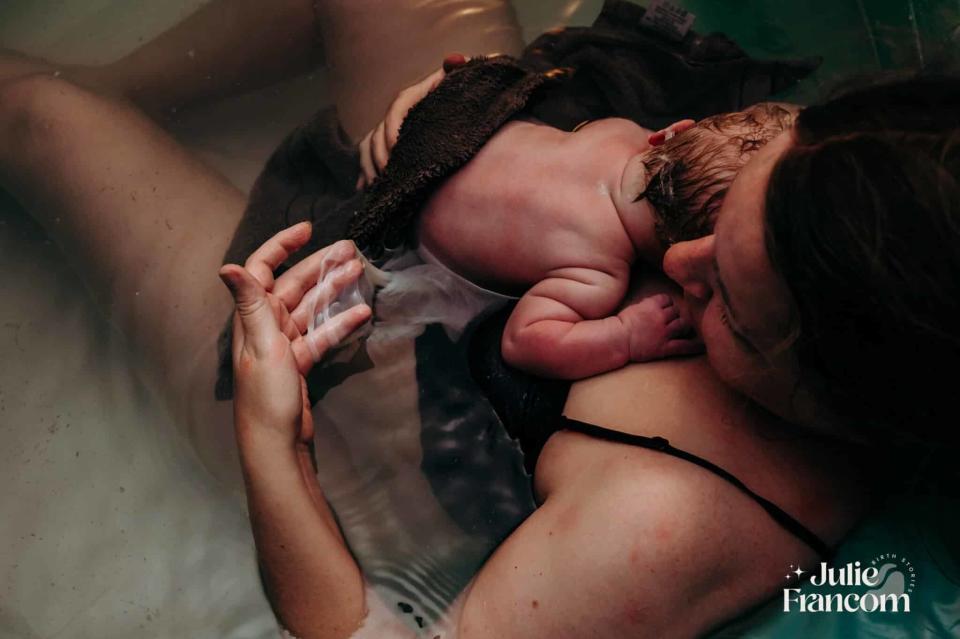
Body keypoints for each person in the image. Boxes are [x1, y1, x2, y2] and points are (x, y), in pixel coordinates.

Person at [223, 72, 959, 638]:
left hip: (338, 388)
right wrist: (463, 116)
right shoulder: (874, 178)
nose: (677, 264)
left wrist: (269, 438)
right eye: (721, 213)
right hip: (420, 232)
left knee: (100, 124)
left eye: (726, 303)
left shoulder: (661, 524)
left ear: (840, 400)